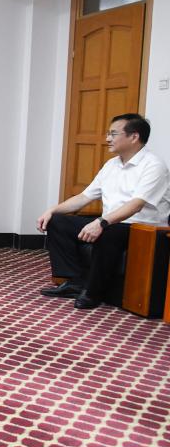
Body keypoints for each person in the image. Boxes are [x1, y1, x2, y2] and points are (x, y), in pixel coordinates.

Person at [37, 113, 170, 309]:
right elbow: (84, 197)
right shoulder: (111, 165)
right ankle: (75, 282)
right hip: (112, 222)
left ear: (134, 136)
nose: (107, 138)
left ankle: (93, 292)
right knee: (57, 221)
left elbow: (136, 205)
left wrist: (101, 222)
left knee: (108, 232)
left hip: (142, 228)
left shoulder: (153, 165)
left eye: (113, 134)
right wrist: (52, 210)